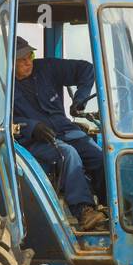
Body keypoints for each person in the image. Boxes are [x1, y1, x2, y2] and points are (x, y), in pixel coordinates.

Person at [12, 36, 109, 231]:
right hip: (32, 141)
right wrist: (32, 127)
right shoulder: (3, 87)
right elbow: (2, 121)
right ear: (10, 63)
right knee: (68, 155)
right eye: (21, 59)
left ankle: (110, 208)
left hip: (65, 130)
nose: (28, 62)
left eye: (30, 55)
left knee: (99, 155)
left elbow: (86, 69)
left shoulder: (46, 68)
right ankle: (84, 211)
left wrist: (80, 99)